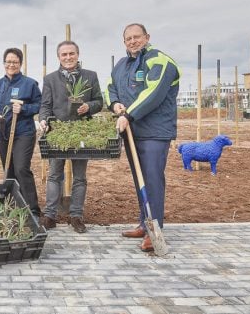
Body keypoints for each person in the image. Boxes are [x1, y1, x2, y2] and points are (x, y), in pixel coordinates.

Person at [105, 23, 180, 252]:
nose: (133, 41)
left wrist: (128, 114)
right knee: (141, 179)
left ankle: (154, 230)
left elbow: (153, 93)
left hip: (155, 132)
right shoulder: (121, 65)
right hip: (132, 131)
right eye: (128, 38)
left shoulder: (160, 60)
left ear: (147, 37)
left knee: (152, 179)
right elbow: (109, 87)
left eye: (137, 37)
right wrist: (115, 104)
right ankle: (143, 223)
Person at [39, 41, 103, 233]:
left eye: (71, 54)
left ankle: (76, 216)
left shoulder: (90, 76)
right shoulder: (50, 79)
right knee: (54, 175)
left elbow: (99, 101)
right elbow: (45, 105)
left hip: (81, 132)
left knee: (80, 177)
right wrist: (43, 120)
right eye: (64, 54)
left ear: (77, 54)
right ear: (58, 57)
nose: (68, 57)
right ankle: (50, 215)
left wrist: (89, 107)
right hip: (58, 132)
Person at [0, 47, 41, 217]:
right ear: (4, 63)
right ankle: (13, 206)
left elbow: (40, 105)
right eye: (8, 62)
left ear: (20, 63)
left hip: (23, 132)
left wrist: (24, 108)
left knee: (21, 168)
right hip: (2, 132)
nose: (11, 65)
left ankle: (32, 209)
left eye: (15, 62)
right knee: (8, 169)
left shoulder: (30, 84)